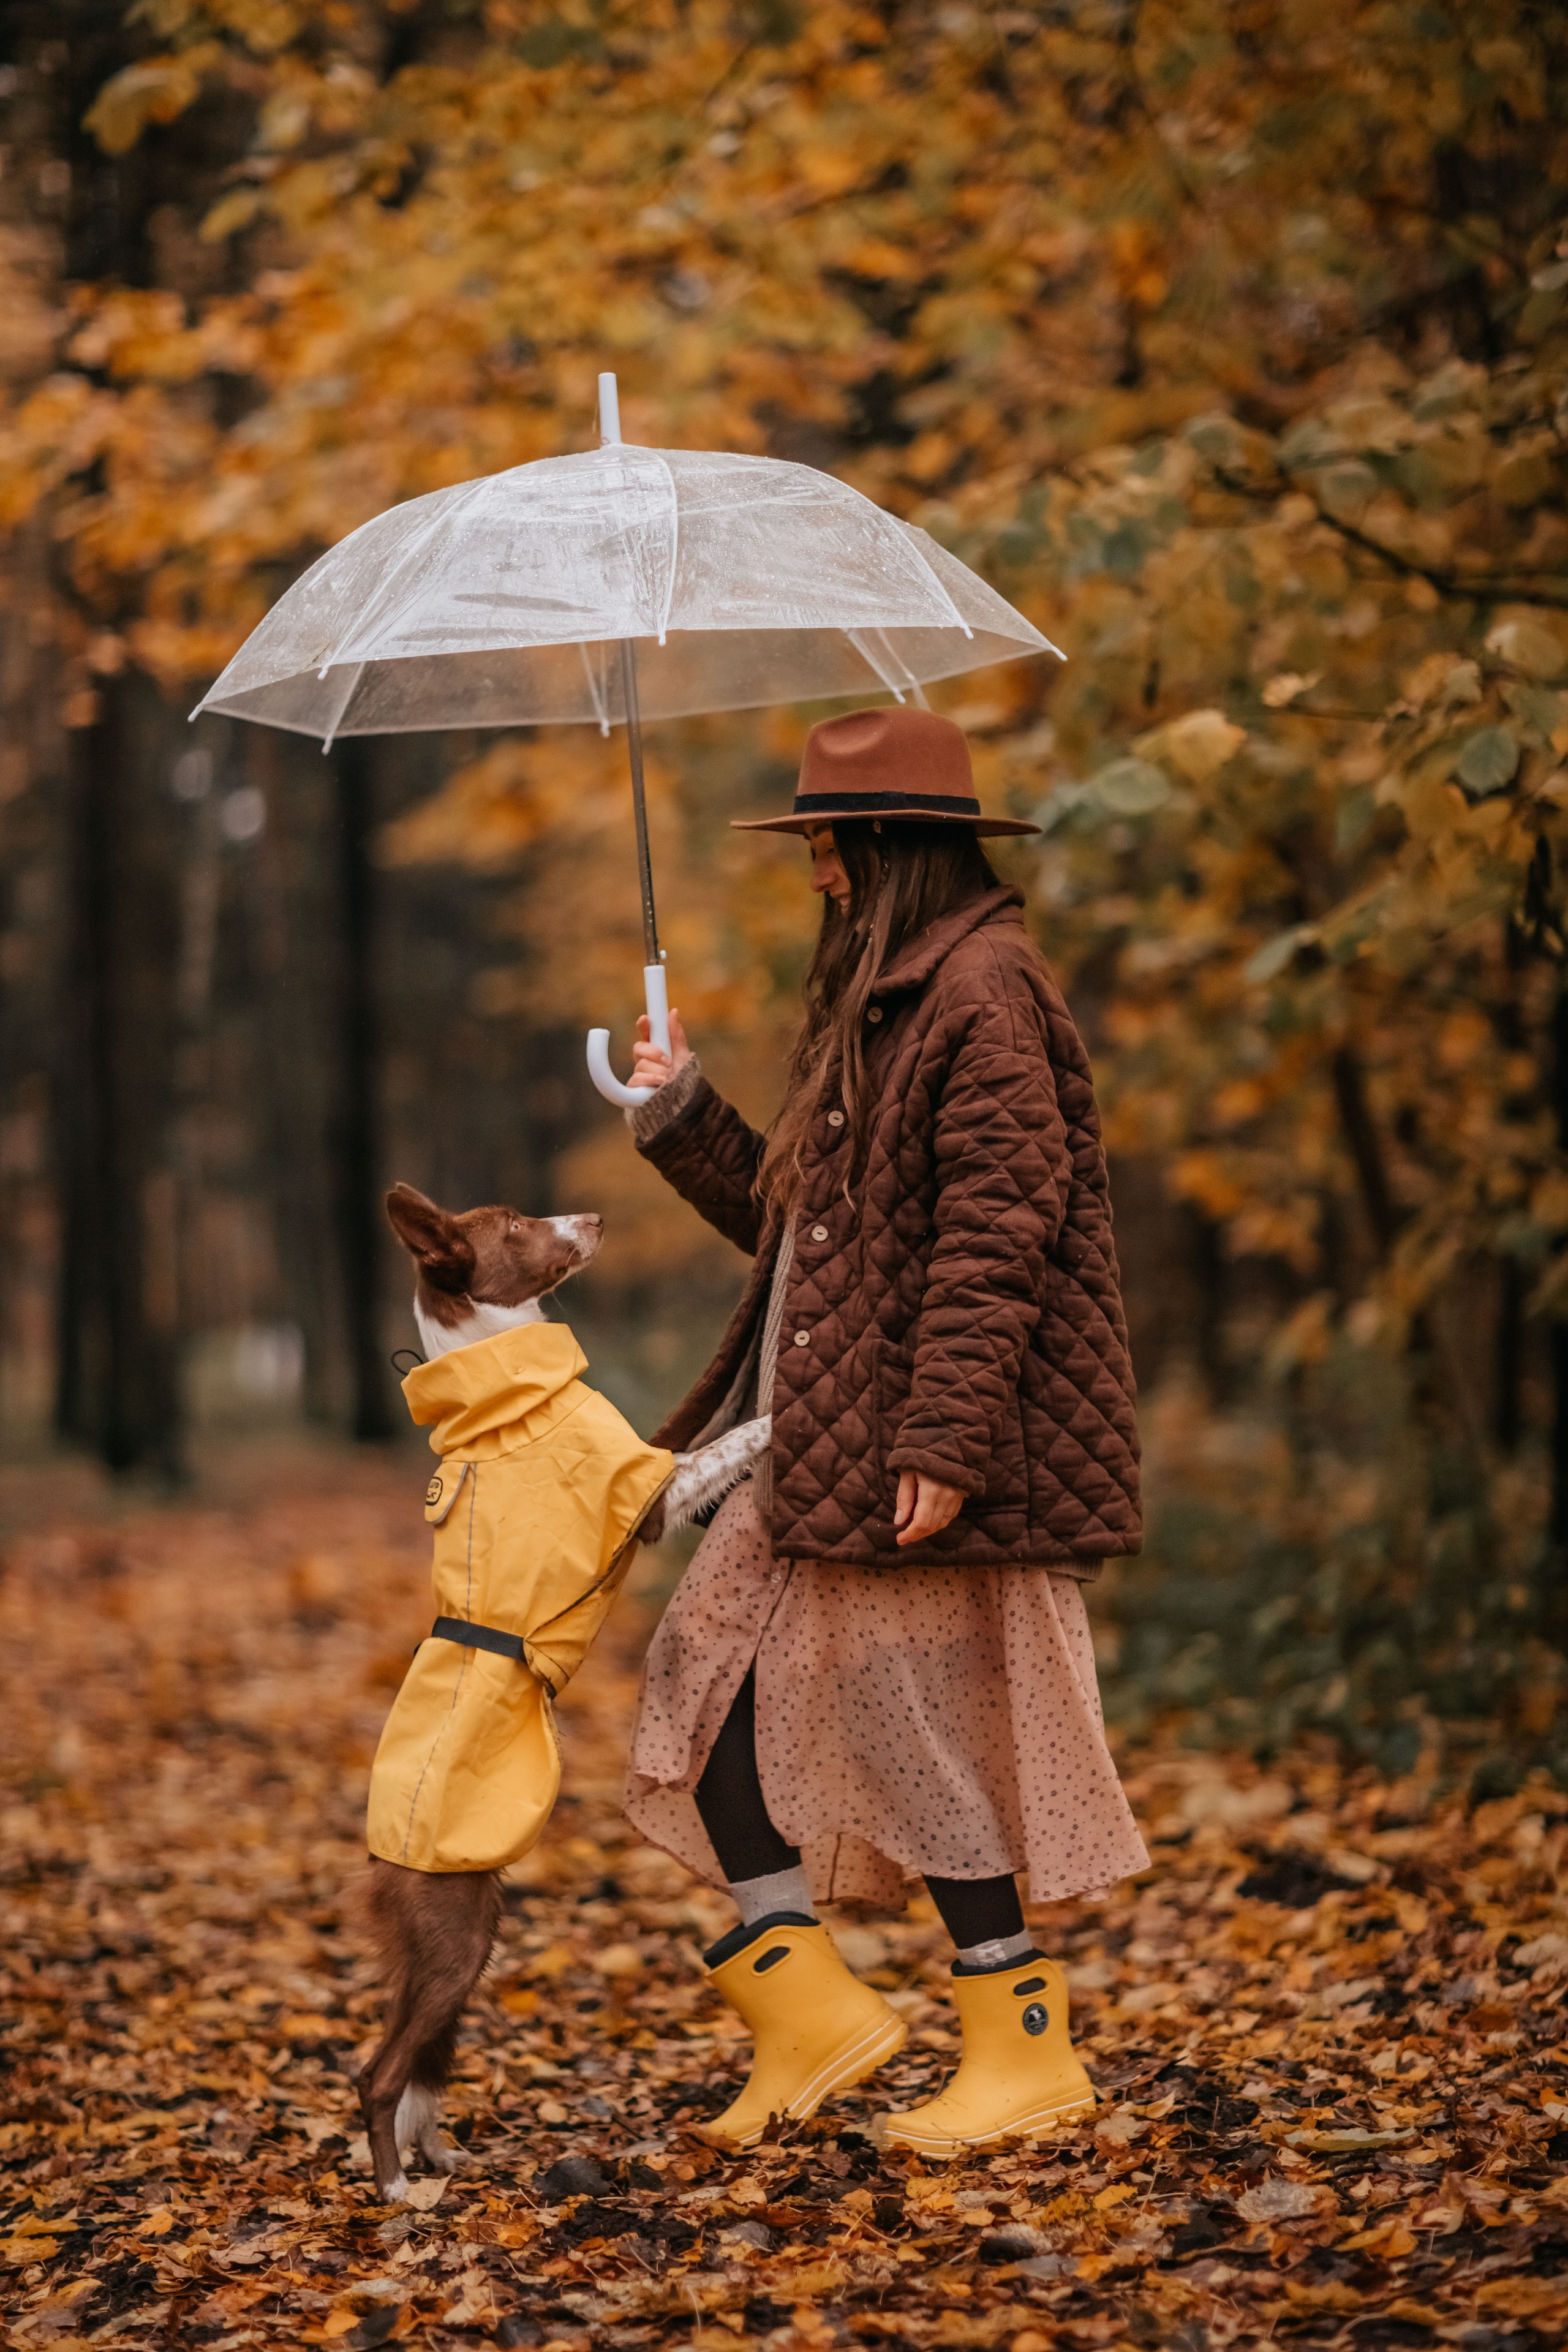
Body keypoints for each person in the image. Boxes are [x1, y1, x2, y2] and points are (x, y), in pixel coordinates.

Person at [620, 704, 1148, 2153]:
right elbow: (808, 1238)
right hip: (834, 1429)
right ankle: (813, 2021)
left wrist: (946, 1439)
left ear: (884, 844)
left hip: (913, 1439)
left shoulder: (982, 990)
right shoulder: (881, 992)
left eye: (828, 847)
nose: (814, 874)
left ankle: (1019, 2049)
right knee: (707, 1689)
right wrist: (681, 1116)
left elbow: (1001, 1230)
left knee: (917, 1736)